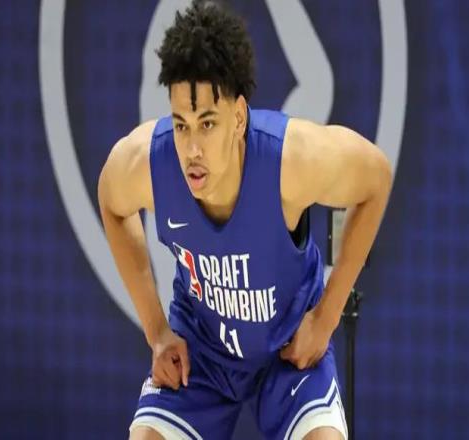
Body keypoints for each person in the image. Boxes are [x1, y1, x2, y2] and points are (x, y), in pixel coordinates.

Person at [98, 1, 392, 439]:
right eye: (181, 125)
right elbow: (111, 201)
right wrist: (157, 331)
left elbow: (376, 177)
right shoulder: (151, 162)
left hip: (288, 355)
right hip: (201, 355)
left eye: (207, 124)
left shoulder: (290, 160)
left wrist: (326, 317)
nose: (192, 149)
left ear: (238, 117)